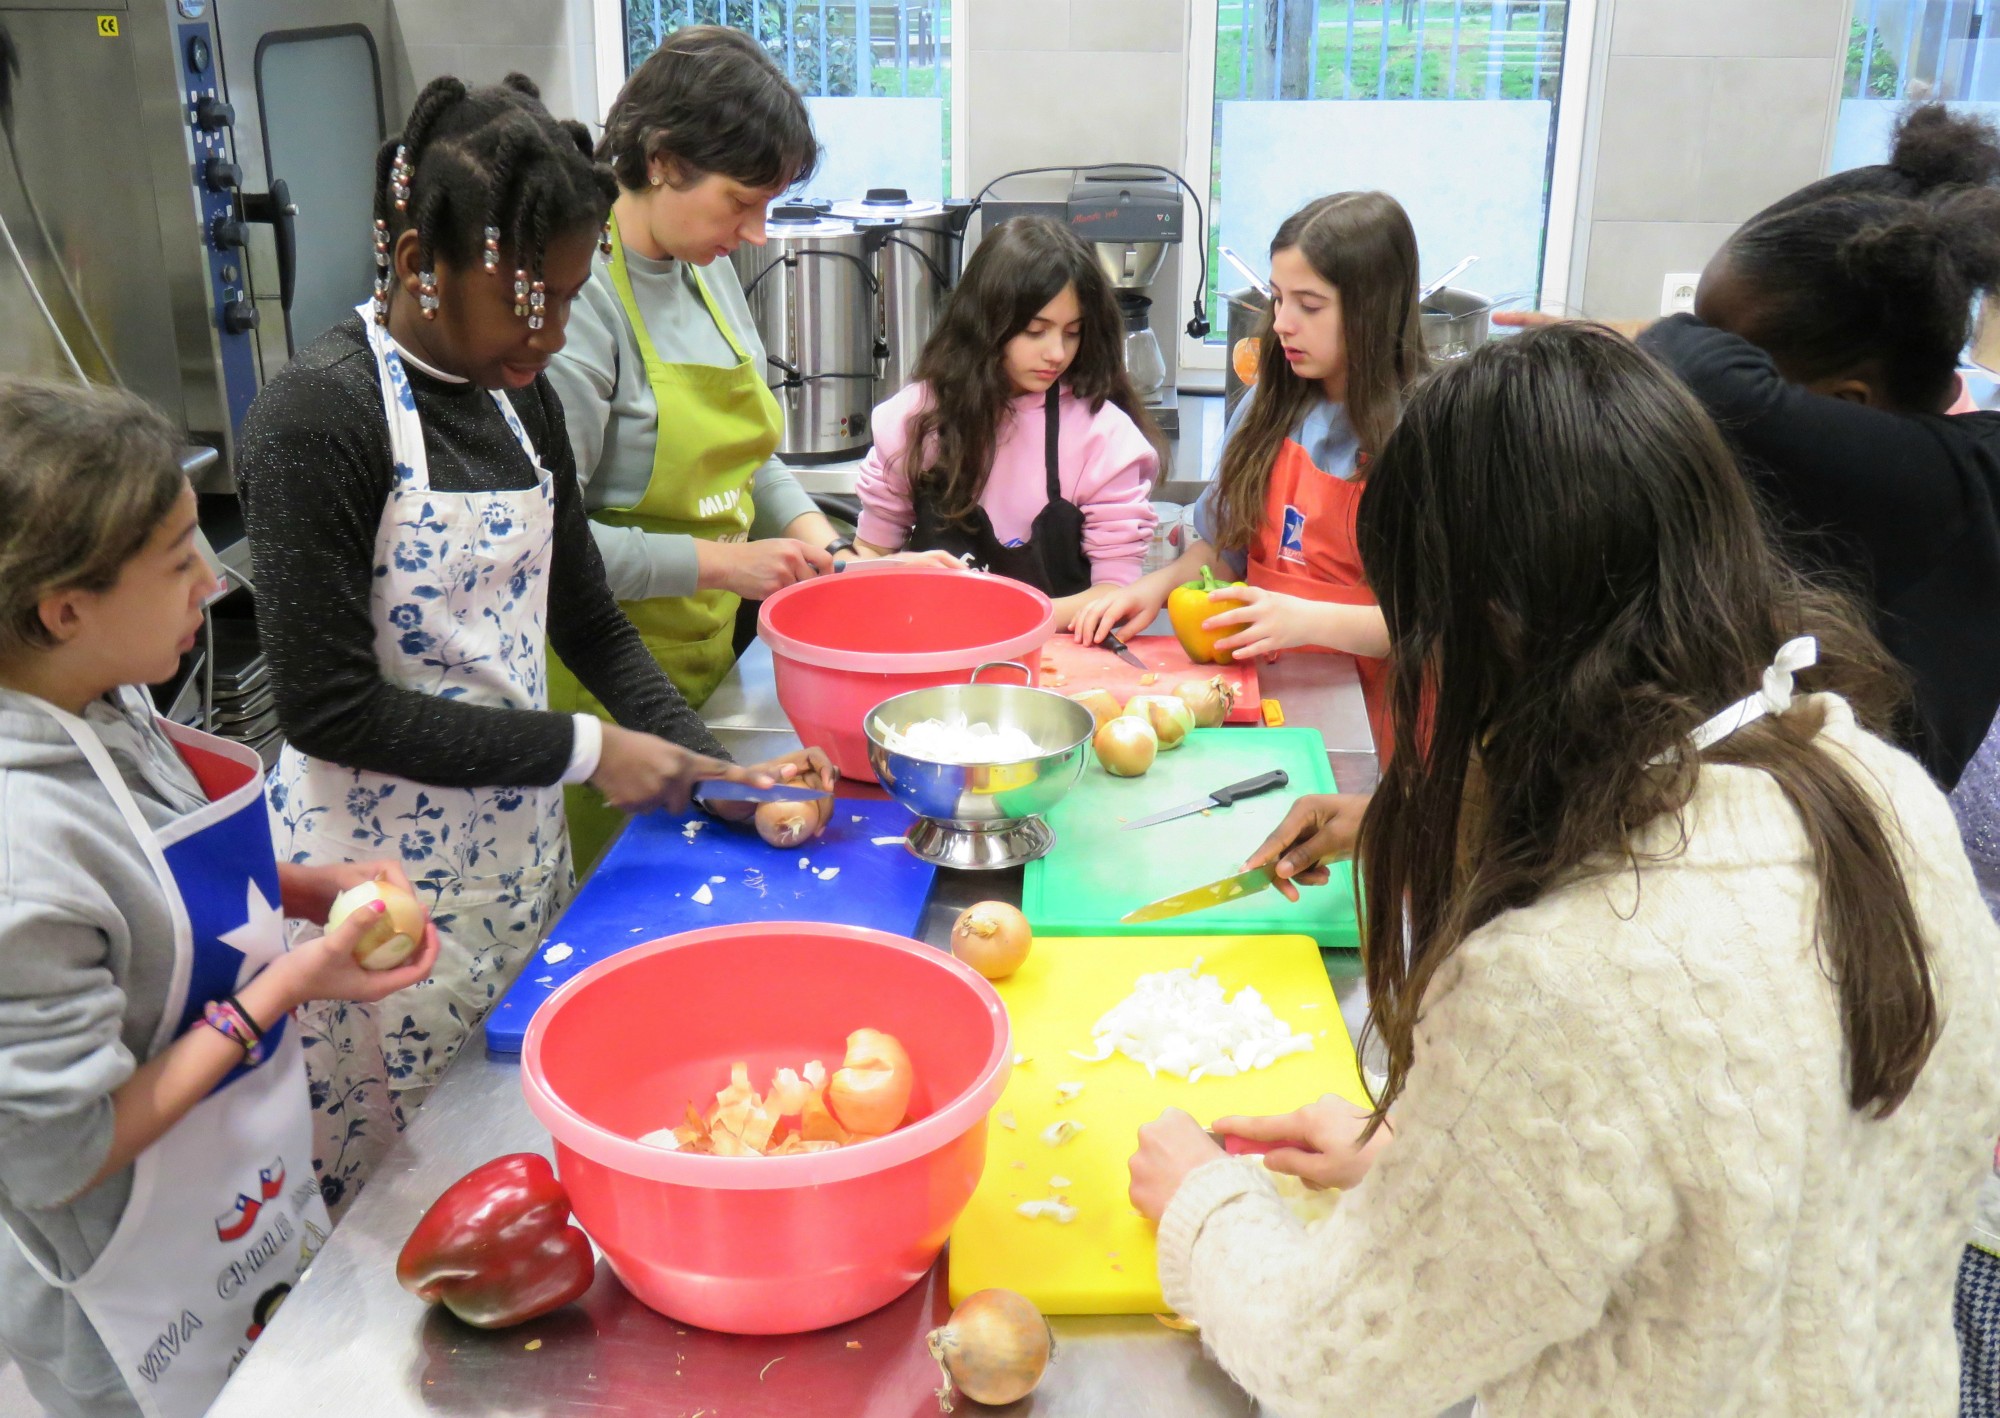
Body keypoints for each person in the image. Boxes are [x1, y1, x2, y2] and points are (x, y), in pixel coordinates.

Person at [1126, 326, 2000, 1416]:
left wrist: (1200, 1207)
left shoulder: (1562, 978)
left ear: (1490, 631)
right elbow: (1756, 1152)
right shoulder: (1871, 781)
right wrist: (1456, 1160)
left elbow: (1337, 1360)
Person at [235, 74, 798, 1204]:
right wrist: (589, 753)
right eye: (528, 298)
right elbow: (325, 705)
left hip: (521, 860)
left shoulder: (515, 394)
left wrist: (709, 767)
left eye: (570, 293)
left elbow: (582, 612)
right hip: (371, 894)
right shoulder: (319, 416)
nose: (551, 330)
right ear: (415, 270)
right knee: (397, 1198)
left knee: (518, 1143)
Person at [0, 378, 442, 1418]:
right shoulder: (18, 846)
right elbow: (63, 1151)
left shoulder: (101, 689)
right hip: (124, 1286)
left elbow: (144, 865)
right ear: (65, 607)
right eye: (177, 561)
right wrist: (292, 980)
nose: (214, 577)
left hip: (231, 1198)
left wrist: (295, 884)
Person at [546, 28, 936, 869]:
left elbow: (748, 455)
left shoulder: (704, 263)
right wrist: (725, 566)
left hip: (706, 659)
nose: (757, 232)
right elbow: (549, 548)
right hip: (600, 686)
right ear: (660, 158)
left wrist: (834, 558)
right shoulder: (580, 301)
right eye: (740, 201)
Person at [1074, 191, 1428, 750]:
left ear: (1373, 308)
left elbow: (1428, 626)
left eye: (1309, 306)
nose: (1282, 324)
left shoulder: (1426, 437)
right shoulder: (1266, 408)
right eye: (1278, 299)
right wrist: (1157, 588)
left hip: (1380, 723)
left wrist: (1303, 620)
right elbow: (1223, 550)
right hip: (1259, 695)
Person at [850, 215, 1160, 625]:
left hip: (1056, 665)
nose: (1057, 353)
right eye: (1036, 330)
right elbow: (868, 558)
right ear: (986, 323)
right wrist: (901, 572)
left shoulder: (1103, 437)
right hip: (933, 654)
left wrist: (1001, 622)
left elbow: (1114, 596)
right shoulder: (916, 420)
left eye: (1072, 332)